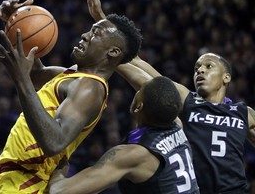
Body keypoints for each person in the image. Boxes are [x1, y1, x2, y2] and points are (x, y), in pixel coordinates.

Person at [81, 0, 255, 194]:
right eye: (197, 67)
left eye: (209, 66)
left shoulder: (244, 113)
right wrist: (104, 23)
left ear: (226, 77)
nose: (200, 71)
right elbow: (136, 64)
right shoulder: (186, 99)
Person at [0, 0, 142, 193]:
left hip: (28, 183)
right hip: (14, 178)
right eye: (90, 30)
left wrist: (20, 80)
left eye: (96, 33)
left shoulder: (90, 88)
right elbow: (36, 74)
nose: (85, 35)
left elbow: (55, 142)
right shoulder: (74, 76)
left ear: (113, 52)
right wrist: (16, 22)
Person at [48, 76, 200, 194]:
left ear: (139, 106)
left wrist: (59, 167)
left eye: (140, 90)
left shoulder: (134, 155)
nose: (137, 89)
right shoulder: (177, 126)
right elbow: (159, 95)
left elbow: (59, 191)